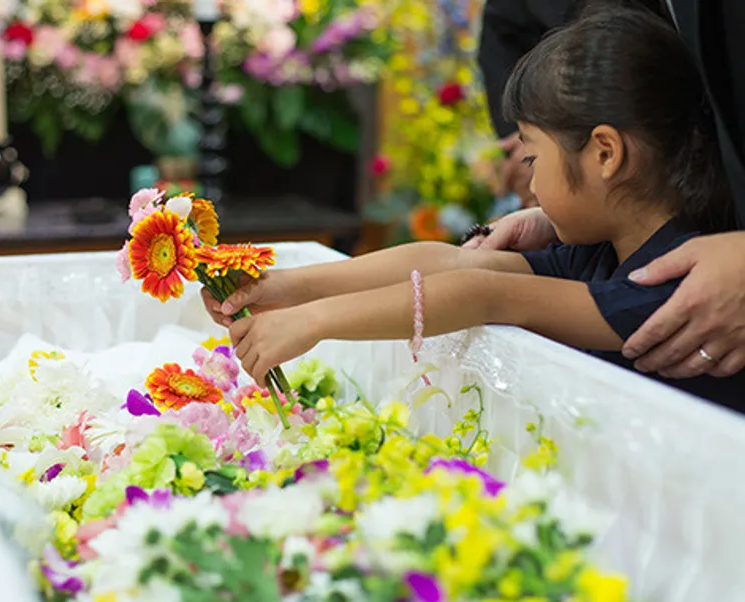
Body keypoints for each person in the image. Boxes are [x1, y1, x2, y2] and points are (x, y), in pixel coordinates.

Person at [203, 8, 743, 412]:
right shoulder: (604, 252)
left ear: (605, 153)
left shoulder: (673, 285)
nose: (527, 180)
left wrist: (315, 322)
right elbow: (459, 265)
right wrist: (287, 288)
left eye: (532, 157)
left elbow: (488, 293)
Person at [474, 0, 745, 382]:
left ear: (605, 152)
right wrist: (566, 199)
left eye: (534, 158)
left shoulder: (660, 279)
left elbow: (477, 292)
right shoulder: (595, 253)